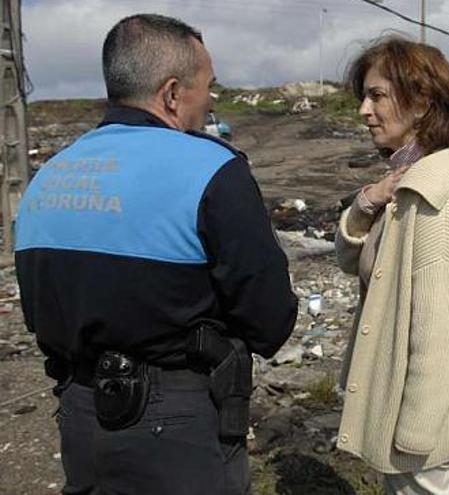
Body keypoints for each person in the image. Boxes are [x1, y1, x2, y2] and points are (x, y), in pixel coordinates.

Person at [14, 14, 297, 495]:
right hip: (179, 426)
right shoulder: (212, 169)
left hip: (80, 415)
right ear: (171, 93)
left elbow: (37, 310)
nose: (210, 102)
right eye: (207, 87)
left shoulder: (48, 176)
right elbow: (270, 317)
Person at [334, 36, 449, 495]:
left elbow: (442, 334)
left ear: (420, 104)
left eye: (377, 95)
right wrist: (367, 201)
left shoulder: (433, 200)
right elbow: (349, 260)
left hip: (415, 420)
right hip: (397, 403)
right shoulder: (403, 183)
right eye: (365, 96)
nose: (364, 110)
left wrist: (415, 435)